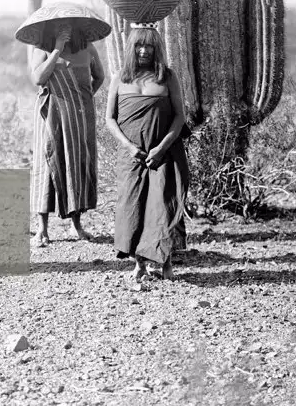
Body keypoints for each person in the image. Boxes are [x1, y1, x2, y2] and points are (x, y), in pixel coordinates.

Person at [105, 25, 188, 286]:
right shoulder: (120, 77)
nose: (143, 50)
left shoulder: (167, 77)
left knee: (162, 205)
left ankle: (165, 262)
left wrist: (162, 147)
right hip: (131, 154)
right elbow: (109, 119)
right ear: (130, 48)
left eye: (149, 46)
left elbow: (179, 116)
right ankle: (139, 263)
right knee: (132, 206)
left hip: (163, 152)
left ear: (156, 49)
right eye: (139, 45)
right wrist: (129, 147)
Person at [29, 22, 105, 246]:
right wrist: (57, 49)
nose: (65, 29)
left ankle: (76, 225)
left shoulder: (88, 48)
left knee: (76, 164)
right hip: (49, 112)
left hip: (79, 115)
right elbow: (38, 79)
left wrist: (83, 98)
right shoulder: (41, 49)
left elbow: (99, 77)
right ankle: (41, 230)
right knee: (47, 163)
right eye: (59, 27)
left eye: (69, 26)